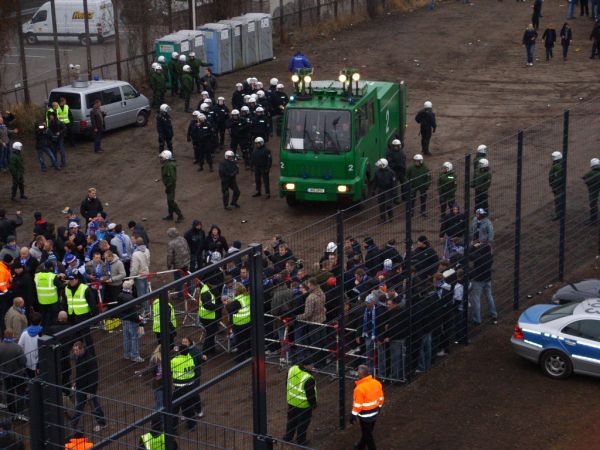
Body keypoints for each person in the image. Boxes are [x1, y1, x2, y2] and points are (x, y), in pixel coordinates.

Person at [70, 341, 107, 433]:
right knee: (79, 407)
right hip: (80, 387)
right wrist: (76, 382)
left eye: (77, 350)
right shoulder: (78, 357)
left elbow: (93, 377)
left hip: (89, 390)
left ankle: (102, 423)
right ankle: (73, 424)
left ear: (82, 349)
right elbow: (79, 373)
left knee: (94, 407)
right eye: (74, 350)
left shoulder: (90, 360)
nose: (75, 352)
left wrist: (90, 392)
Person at [283, 359, 317, 446]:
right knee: (303, 424)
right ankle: (301, 441)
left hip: (291, 401)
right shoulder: (308, 378)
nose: (313, 367)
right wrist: (314, 404)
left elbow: (287, 382)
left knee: (291, 421)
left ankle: (287, 438)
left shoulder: (292, 369)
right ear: (306, 365)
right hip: (303, 405)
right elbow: (310, 394)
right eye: (311, 365)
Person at [350, 365, 384, 450]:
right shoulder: (377, 383)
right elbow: (381, 398)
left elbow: (358, 405)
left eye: (358, 372)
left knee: (368, 435)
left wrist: (353, 415)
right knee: (367, 432)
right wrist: (379, 407)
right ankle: (360, 446)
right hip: (375, 412)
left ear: (360, 375)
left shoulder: (359, 388)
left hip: (365, 416)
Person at [0, 329, 27, 419]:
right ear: (12, 336)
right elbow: (23, 361)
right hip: (18, 374)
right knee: (20, 393)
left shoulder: (0, 347)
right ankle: (20, 413)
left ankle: (12, 413)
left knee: (9, 392)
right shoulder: (17, 347)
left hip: (5, 374)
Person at [469, 242, 497, 325]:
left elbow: (468, 254)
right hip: (487, 279)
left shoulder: (478, 257)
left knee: (476, 299)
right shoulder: (490, 256)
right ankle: (494, 314)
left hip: (478, 280)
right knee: (489, 296)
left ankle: (477, 319)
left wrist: (473, 247)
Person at [170, 343, 197, 431]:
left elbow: (168, 367)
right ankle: (192, 425)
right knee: (188, 406)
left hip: (179, 388)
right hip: (190, 387)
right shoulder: (190, 358)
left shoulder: (175, 361)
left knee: (174, 409)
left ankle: (172, 429)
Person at [223, 283, 252, 362]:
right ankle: (249, 354)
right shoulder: (247, 296)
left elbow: (230, 309)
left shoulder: (237, 301)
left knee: (240, 342)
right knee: (248, 339)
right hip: (248, 321)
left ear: (236, 291)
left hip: (239, 323)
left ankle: (241, 358)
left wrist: (227, 304)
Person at [119, 280, 144, 362]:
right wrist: (139, 319)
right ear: (130, 288)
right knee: (134, 338)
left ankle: (127, 354)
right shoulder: (130, 298)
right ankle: (135, 356)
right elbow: (133, 313)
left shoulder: (120, 295)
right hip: (132, 321)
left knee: (126, 338)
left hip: (124, 320)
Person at [160, 150, 184, 223]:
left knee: (171, 201)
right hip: (169, 185)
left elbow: (172, 178)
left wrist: (168, 187)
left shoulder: (169, 166)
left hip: (170, 185)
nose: (161, 159)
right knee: (169, 200)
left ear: (166, 158)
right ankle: (170, 215)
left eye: (162, 157)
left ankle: (180, 216)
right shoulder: (167, 164)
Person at [35, 260, 61, 325]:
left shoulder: (37, 276)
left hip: (42, 301)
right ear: (52, 268)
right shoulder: (52, 276)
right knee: (53, 319)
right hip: (52, 301)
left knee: (43, 318)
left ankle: (44, 331)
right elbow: (60, 286)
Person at [197, 279, 220, 356]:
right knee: (210, 335)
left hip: (208, 316)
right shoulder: (206, 292)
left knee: (212, 334)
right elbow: (207, 305)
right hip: (207, 317)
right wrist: (218, 307)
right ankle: (205, 352)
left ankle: (211, 349)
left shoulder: (207, 288)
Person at [18, 311, 43, 378]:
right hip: (40, 362)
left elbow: (19, 346)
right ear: (40, 322)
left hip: (27, 362)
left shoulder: (24, 333)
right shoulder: (42, 333)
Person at [374, 158, 396, 224]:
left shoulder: (391, 173)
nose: (379, 166)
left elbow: (394, 183)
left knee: (389, 204)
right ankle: (383, 218)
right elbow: (375, 181)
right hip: (381, 190)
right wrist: (373, 190)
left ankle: (390, 216)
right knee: (381, 205)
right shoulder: (377, 172)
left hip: (389, 190)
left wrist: (394, 191)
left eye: (380, 165)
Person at [583, 158, 600, 224]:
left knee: (593, 203)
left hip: (594, 190)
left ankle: (593, 219)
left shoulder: (590, 174)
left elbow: (585, 179)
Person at [549, 151, 564, 221]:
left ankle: (559, 215)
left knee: (558, 200)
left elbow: (557, 178)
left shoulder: (557, 167)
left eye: (553, 157)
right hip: (559, 186)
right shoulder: (559, 165)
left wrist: (553, 186)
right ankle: (560, 213)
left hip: (558, 186)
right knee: (559, 200)